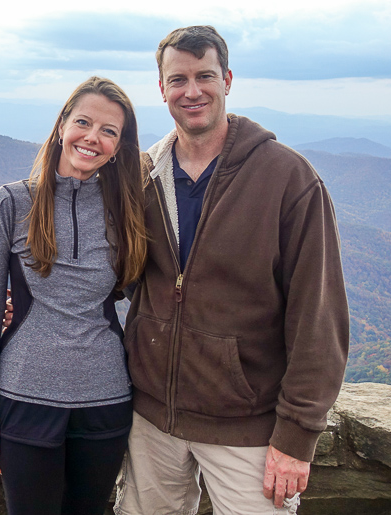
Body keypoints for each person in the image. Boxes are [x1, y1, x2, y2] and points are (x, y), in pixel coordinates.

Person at [114, 26, 349, 515]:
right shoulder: (143, 174)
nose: (192, 91)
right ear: (161, 89)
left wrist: (298, 434)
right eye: (178, 79)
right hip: (151, 418)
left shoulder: (287, 178)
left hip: (247, 426)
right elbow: (117, 274)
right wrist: (29, 304)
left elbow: (318, 317)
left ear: (228, 79)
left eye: (205, 76)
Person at [0, 76, 149, 515]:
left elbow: (138, 289)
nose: (93, 137)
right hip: (25, 398)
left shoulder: (126, 210)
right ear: (61, 127)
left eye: (109, 131)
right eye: (84, 122)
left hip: (106, 401)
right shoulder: (11, 204)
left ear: (118, 146)